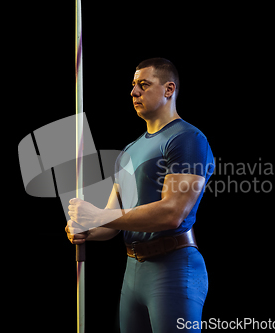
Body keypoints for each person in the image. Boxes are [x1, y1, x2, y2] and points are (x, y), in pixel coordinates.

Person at [65, 58, 214, 332]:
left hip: (174, 269)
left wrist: (98, 216)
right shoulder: (129, 150)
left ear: (169, 89)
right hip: (133, 272)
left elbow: (172, 213)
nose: (134, 92)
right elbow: (111, 222)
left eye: (143, 85)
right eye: (133, 85)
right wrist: (86, 229)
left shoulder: (187, 139)